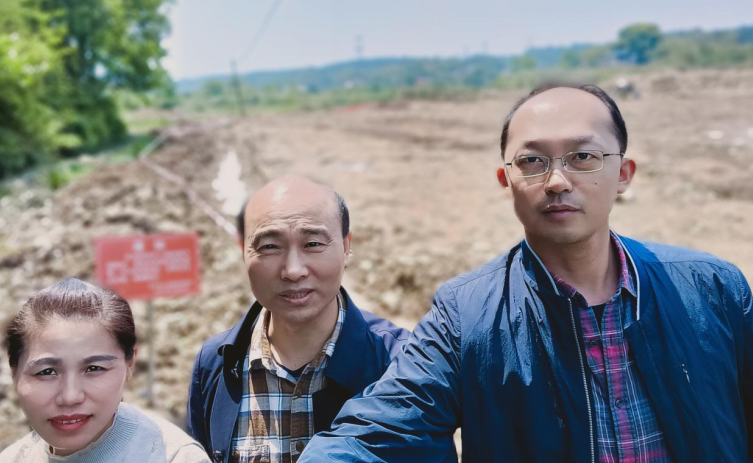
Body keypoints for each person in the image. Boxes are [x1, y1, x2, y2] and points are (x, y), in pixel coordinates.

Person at [299, 84, 753, 462]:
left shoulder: (711, 290)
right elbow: (380, 430)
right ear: (506, 181)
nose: (557, 181)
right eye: (533, 161)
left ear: (624, 174)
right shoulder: (466, 315)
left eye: (583, 157)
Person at [187, 175, 408, 463]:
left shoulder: (401, 364)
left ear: (346, 246)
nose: (293, 271)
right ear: (243, 250)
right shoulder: (216, 363)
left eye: (313, 243)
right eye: (270, 246)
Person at [0, 278, 210, 463]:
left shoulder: (173, 457)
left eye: (94, 368)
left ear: (130, 364)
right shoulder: (13, 458)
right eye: (46, 372)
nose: (70, 397)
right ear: (14, 371)